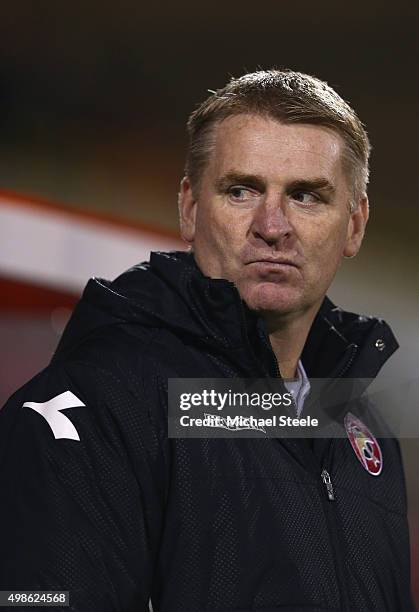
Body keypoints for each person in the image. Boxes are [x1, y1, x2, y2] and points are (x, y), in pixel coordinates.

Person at [0, 70, 414, 611]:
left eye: (306, 196)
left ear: (355, 225)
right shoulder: (94, 405)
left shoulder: (362, 430)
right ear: (190, 210)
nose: (272, 225)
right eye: (241, 190)